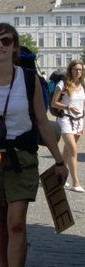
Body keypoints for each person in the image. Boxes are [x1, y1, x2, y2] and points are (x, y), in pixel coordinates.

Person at [0, 23, 68, 267]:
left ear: (14, 47)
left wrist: (59, 161)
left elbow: (42, 121)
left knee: (16, 222)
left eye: (6, 41)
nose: (0, 45)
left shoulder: (29, 78)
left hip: (22, 158)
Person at [51, 59, 85, 193]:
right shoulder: (63, 84)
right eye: (76, 69)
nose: (78, 72)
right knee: (73, 150)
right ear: (70, 70)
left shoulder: (82, 85)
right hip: (65, 119)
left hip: (78, 120)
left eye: (80, 69)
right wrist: (68, 107)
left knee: (67, 151)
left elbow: (82, 104)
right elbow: (54, 103)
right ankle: (76, 182)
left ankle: (58, 175)